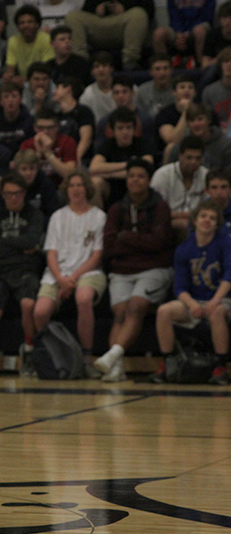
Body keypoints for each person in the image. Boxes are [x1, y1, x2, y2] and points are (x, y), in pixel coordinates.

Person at [97, 158, 174, 382]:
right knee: (120, 312)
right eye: (131, 176)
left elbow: (158, 243)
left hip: (153, 268)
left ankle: (112, 355)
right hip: (122, 270)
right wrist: (141, 240)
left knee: (136, 306)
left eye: (140, 176)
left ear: (149, 180)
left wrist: (126, 237)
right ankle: (116, 368)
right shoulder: (116, 208)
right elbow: (109, 245)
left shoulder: (159, 206)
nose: (135, 180)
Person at [0, 172, 45, 379]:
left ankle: (28, 352)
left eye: (17, 194)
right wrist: (18, 247)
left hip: (26, 270)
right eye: (8, 194)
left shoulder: (34, 214)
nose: (12, 198)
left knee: (28, 305)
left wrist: (5, 242)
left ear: (24, 194)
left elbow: (32, 240)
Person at [151, 200, 231, 385]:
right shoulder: (184, 249)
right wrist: (192, 304)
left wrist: (215, 300)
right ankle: (168, 363)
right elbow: (180, 288)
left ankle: (221, 367)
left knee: (217, 312)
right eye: (203, 216)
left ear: (217, 223)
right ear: (194, 221)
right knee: (164, 311)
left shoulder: (225, 242)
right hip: (195, 301)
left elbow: (229, 275)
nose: (207, 221)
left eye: (212, 218)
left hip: (223, 299)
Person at [33, 169, 107, 367]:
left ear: (87, 189)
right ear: (66, 190)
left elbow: (97, 256)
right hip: (57, 274)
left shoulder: (99, 216)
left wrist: (72, 279)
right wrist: (61, 279)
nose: (76, 190)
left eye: (80, 185)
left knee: (83, 298)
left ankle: (86, 357)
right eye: (72, 185)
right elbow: (51, 253)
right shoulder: (58, 216)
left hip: (87, 272)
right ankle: (53, 356)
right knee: (40, 311)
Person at [151, 136, 208, 238]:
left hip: (199, 224)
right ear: (180, 156)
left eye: (197, 158)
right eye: (189, 157)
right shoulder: (163, 175)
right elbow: (155, 211)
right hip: (165, 223)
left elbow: (210, 209)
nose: (193, 162)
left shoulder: (206, 176)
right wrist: (187, 216)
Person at [3, 5, 54, 86]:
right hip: (21, 83)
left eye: (30, 22)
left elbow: (46, 70)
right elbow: (10, 67)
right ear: (18, 27)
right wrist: (8, 76)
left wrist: (25, 80)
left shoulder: (46, 39)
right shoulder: (13, 41)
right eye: (22, 23)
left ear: (37, 24)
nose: (26, 25)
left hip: (42, 81)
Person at [53, 76, 95, 163]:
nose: (54, 92)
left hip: (81, 159)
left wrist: (75, 158)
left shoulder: (83, 112)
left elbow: (86, 139)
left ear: (68, 89)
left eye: (57, 88)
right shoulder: (57, 116)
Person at [79, 51, 116, 124]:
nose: (101, 69)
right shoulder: (88, 93)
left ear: (111, 69)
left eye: (104, 65)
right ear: (92, 71)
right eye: (97, 66)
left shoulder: (125, 89)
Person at [136, 54, 174, 119]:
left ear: (171, 70)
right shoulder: (142, 91)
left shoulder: (179, 89)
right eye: (157, 69)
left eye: (165, 68)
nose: (162, 73)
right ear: (151, 72)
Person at [202, 47, 231, 130]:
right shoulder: (209, 91)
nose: (229, 64)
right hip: (217, 134)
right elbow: (206, 119)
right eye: (226, 61)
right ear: (220, 65)